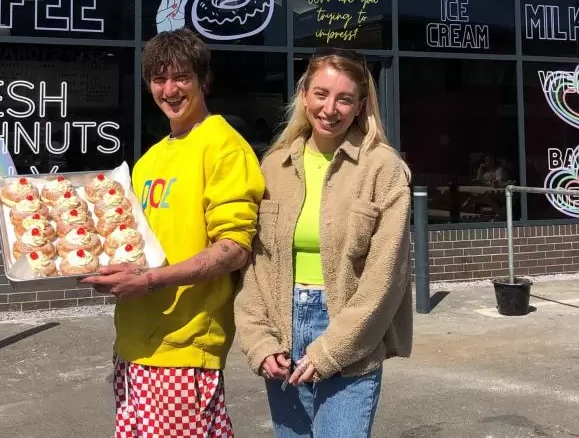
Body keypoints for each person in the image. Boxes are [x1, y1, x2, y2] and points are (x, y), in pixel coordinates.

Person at [82, 28, 264, 437]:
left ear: (204, 80)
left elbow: (234, 249)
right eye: (159, 79)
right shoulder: (149, 160)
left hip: (185, 347)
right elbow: (137, 247)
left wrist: (147, 281)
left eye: (182, 77)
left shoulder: (223, 146)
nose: (170, 89)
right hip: (133, 344)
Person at [234, 46, 413, 438]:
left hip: (351, 335)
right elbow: (255, 268)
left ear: (361, 105)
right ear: (303, 95)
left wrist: (331, 348)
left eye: (344, 98)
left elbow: (386, 278)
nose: (330, 108)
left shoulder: (383, 169)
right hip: (283, 331)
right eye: (321, 94)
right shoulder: (274, 167)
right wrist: (258, 341)